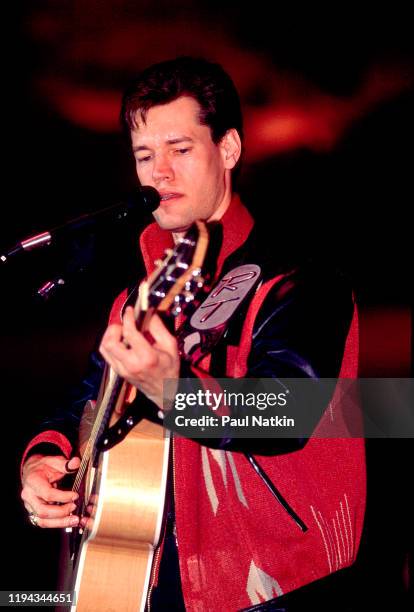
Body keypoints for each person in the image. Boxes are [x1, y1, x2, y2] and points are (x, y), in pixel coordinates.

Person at [20, 57, 366, 611]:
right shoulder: (139, 294)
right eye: (144, 155)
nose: (159, 173)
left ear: (228, 149)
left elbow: (289, 412)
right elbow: (85, 404)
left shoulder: (300, 279)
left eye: (180, 150)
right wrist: (41, 458)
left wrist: (173, 391)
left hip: (271, 589)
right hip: (147, 580)